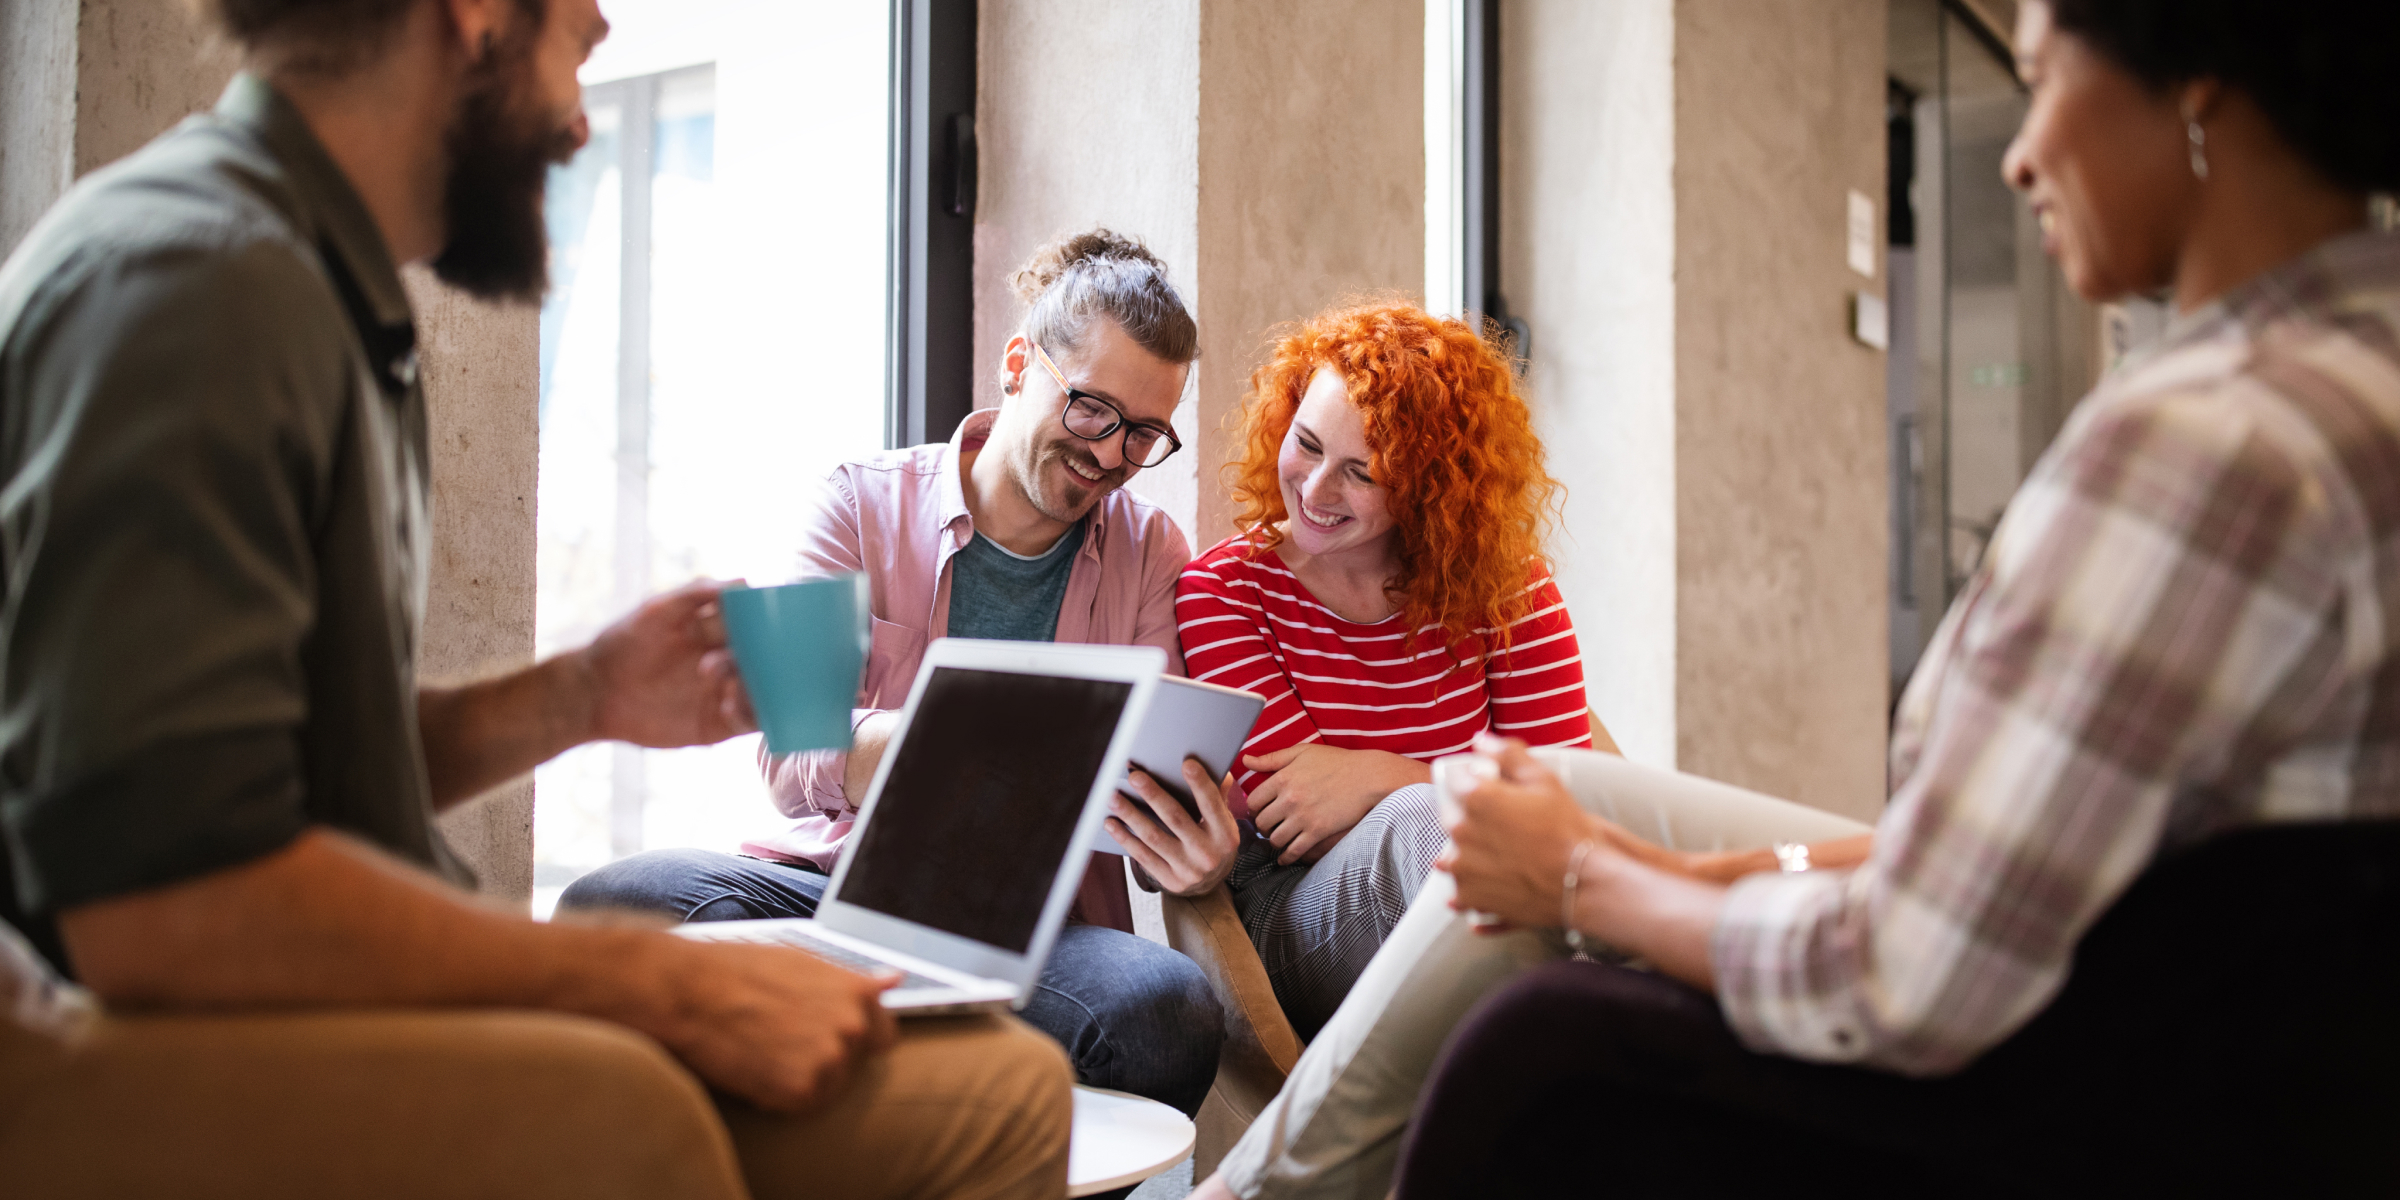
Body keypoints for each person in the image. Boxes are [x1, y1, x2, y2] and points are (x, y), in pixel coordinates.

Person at [1197, 0, 2400, 1195]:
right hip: (2174, 996)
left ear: (2198, 86)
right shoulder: (2352, 376)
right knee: (1537, 797)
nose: (2023, 153)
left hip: (2052, 1050)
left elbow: (1918, 961)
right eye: (1313, 449)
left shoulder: (2205, 445)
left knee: (1502, 885)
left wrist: (1584, 882)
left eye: (2043, 82)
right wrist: (1611, 860)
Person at [0, 1, 1069, 1196]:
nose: (591, 71)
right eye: (575, 26)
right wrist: (657, 979)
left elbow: (272, 768)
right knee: (640, 1112)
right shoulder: (200, 289)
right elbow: (165, 895)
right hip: (155, 1046)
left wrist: (576, 696)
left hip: (293, 1006)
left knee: (999, 1082)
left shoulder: (310, 287)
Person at [560, 230, 1233, 1121]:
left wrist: (1192, 854)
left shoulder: (1153, 550)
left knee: (1165, 1010)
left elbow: (1147, 789)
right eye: (1090, 411)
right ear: (1017, 363)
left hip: (1039, 929)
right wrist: (965, 738)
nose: (1111, 455)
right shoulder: (849, 498)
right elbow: (787, 752)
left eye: (1144, 433)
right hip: (828, 887)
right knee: (616, 904)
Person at [1174, 301, 1606, 1038]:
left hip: (1490, 907)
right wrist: (1443, 789)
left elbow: (1566, 801)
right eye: (1305, 445)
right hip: (1299, 913)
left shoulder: (1506, 585)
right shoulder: (1223, 591)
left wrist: (1380, 773)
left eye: (1360, 473)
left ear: (1427, 487)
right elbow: (1298, 815)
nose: (1313, 491)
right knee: (1431, 825)